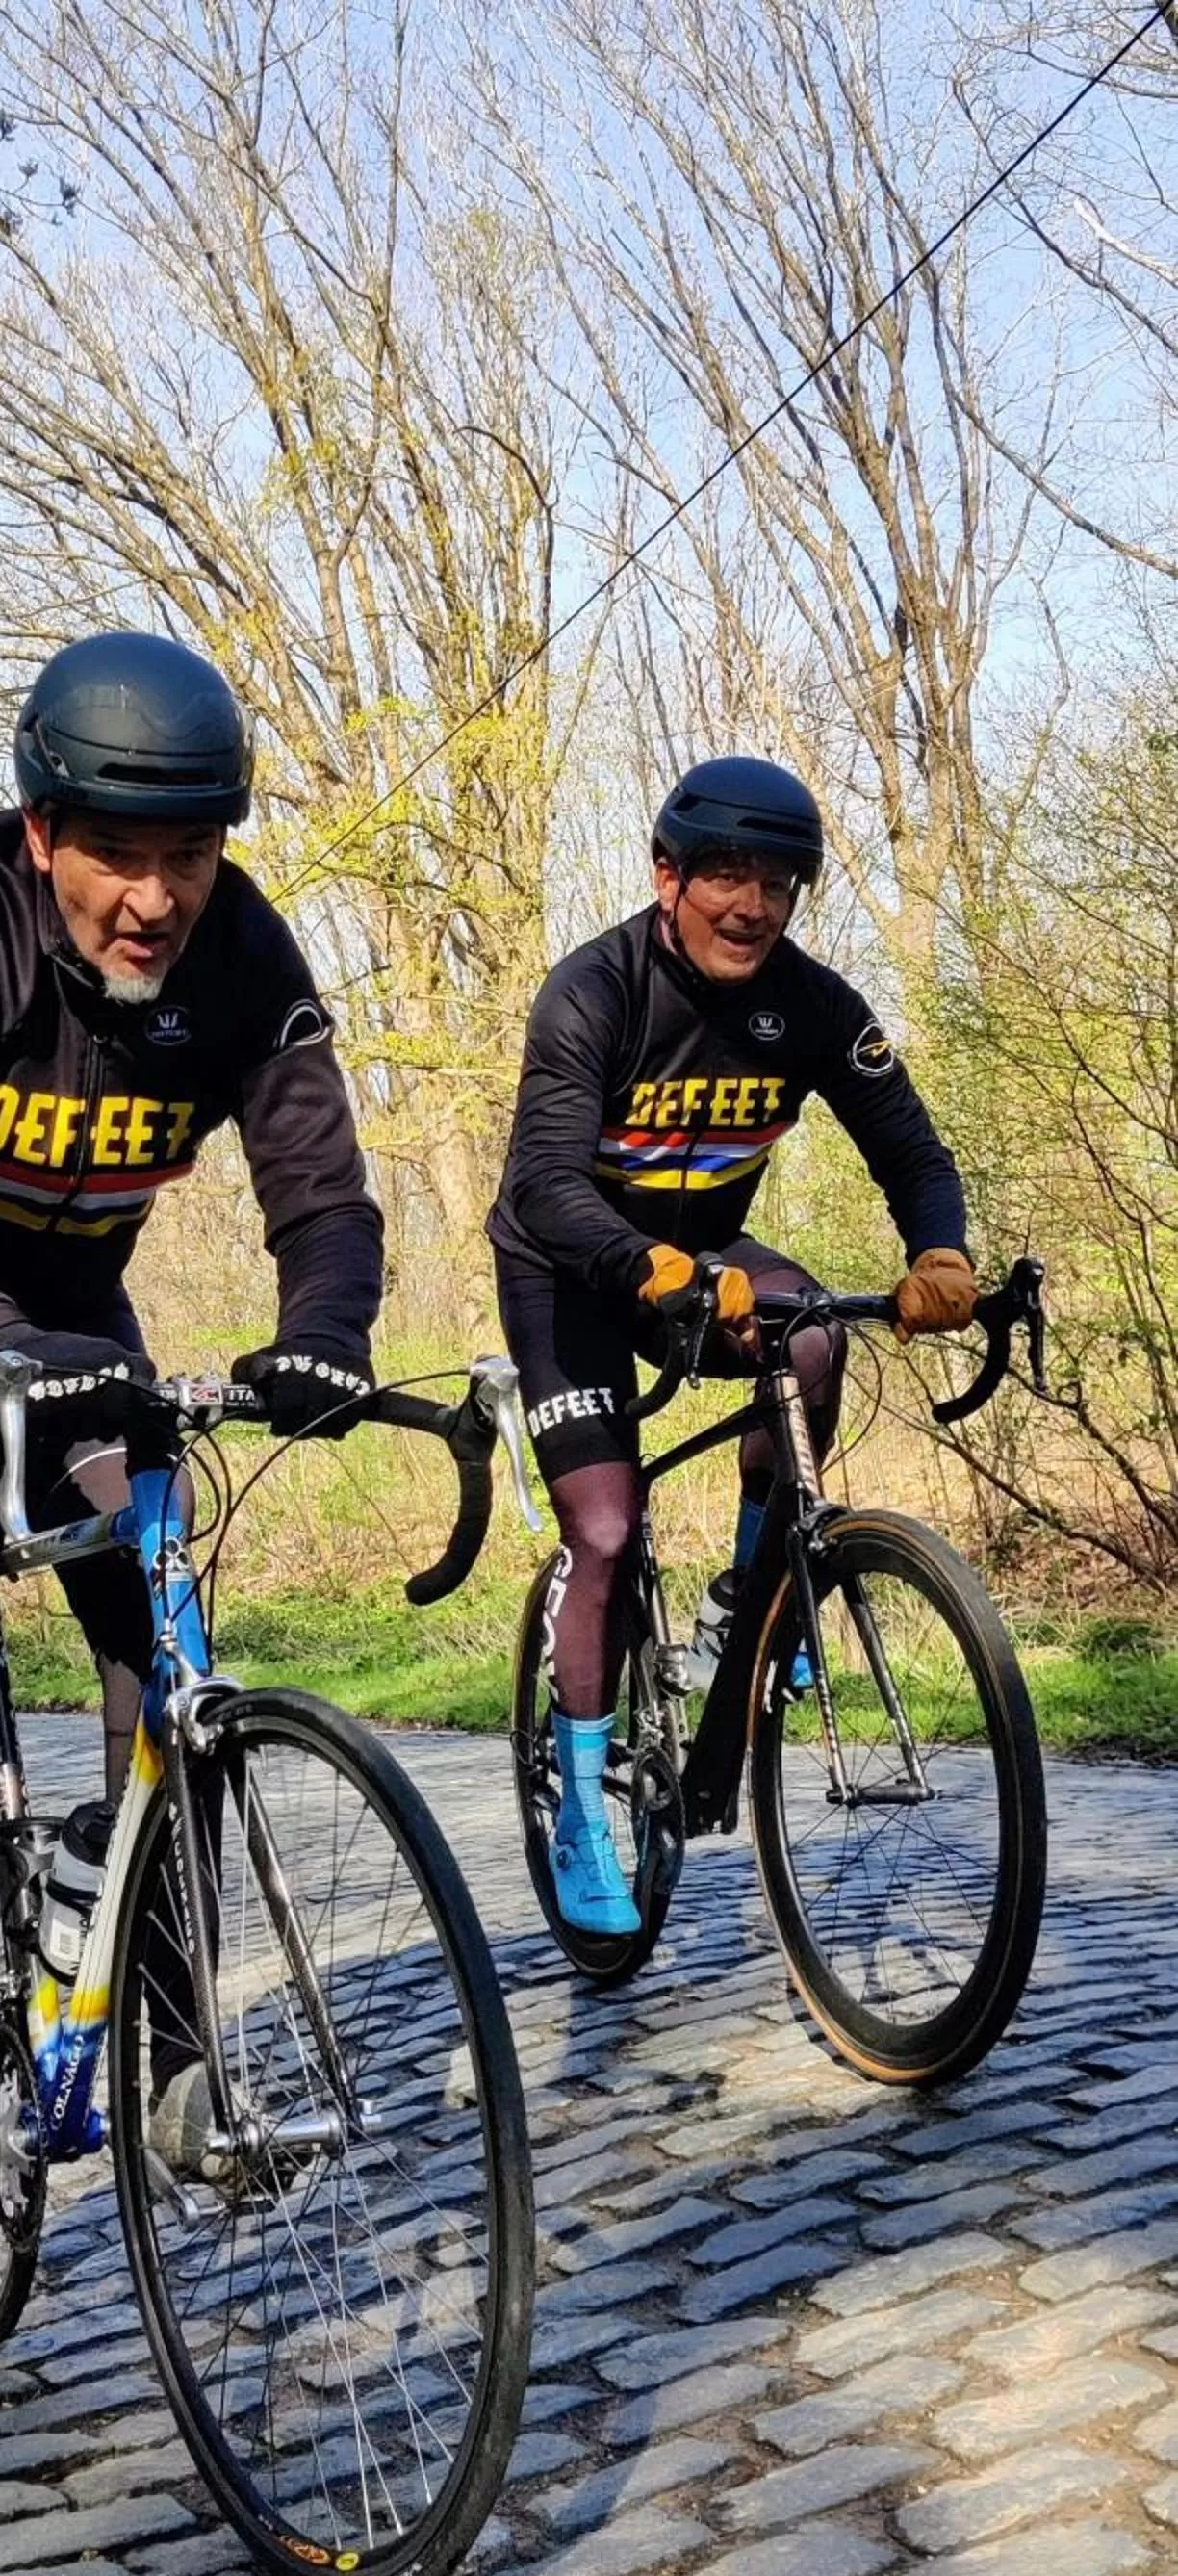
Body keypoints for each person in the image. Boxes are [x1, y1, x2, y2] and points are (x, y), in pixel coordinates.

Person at [0, 631, 384, 2102]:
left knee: (152, 1592)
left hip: (65, 1289)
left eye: (189, 854)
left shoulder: (241, 949)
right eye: (114, 854)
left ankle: (169, 2046)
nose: (153, 897)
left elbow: (322, 1191)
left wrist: (327, 1336)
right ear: (42, 831)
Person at [487, 755, 974, 1939]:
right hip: (572, 1276)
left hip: (701, 1263)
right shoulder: (592, 993)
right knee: (602, 1527)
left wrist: (941, 1255)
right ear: (668, 876)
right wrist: (648, 1264)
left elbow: (911, 1150)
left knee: (808, 1336)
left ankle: (753, 1601)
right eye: (725, 876)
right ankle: (584, 1814)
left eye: (779, 881)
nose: (752, 904)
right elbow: (546, 1185)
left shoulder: (812, 1005)